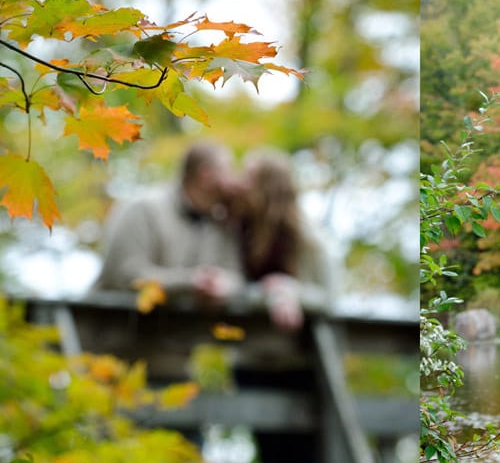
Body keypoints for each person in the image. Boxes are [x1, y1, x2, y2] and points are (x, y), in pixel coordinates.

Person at [92, 140, 245, 303]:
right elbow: (124, 275)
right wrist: (190, 282)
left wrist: (223, 286)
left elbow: (237, 277)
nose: (234, 180)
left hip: (187, 327)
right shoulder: (143, 210)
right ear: (205, 175)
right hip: (123, 325)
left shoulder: (222, 223)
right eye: (229, 169)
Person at [231, 147, 337, 331]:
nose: (241, 183)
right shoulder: (237, 227)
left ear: (267, 187)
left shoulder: (305, 236)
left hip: (305, 341)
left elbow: (328, 297)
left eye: (249, 177)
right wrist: (269, 293)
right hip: (248, 338)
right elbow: (235, 289)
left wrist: (289, 291)